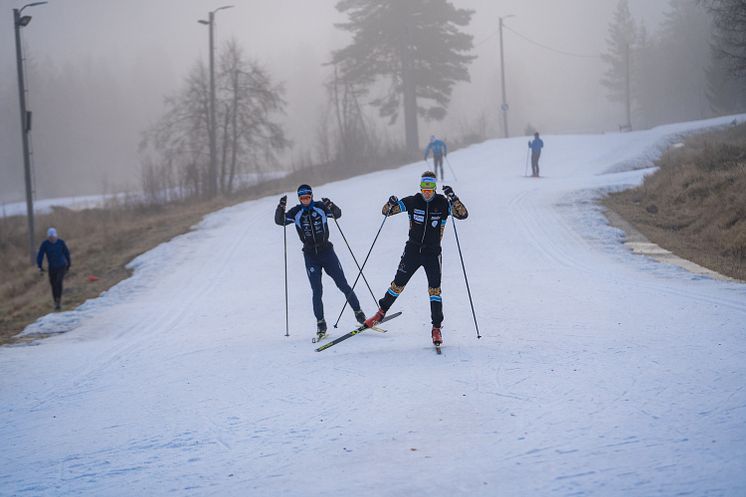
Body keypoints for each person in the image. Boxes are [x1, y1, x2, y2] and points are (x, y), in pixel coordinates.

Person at [364, 171, 468, 346]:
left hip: (432, 253)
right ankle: (380, 314)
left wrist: (453, 197)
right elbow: (386, 212)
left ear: (434, 189)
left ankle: (436, 328)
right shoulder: (413, 201)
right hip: (413, 250)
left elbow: (463, 214)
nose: (427, 193)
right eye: (424, 189)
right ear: (421, 188)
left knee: (434, 290)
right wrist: (389, 203)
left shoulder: (443, 203)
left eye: (431, 189)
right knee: (397, 284)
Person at [275, 184, 367, 339]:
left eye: (307, 197)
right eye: (302, 198)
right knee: (317, 291)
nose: (305, 200)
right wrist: (281, 207)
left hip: (327, 252)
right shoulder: (296, 212)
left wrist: (330, 204)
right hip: (311, 256)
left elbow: (337, 214)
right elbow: (280, 221)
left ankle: (360, 315)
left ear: (311, 196)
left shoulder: (320, 207)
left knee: (343, 284)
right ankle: (321, 325)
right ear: (299, 198)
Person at [36, 227, 71, 311]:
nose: (52, 238)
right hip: (52, 267)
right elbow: (40, 255)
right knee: (53, 284)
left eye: (53, 236)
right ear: (48, 237)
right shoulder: (45, 244)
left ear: (56, 236)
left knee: (58, 282)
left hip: (61, 266)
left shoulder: (61, 242)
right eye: (50, 237)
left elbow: (67, 253)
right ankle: (55, 301)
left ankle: (58, 300)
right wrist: (39, 266)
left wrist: (69, 264)